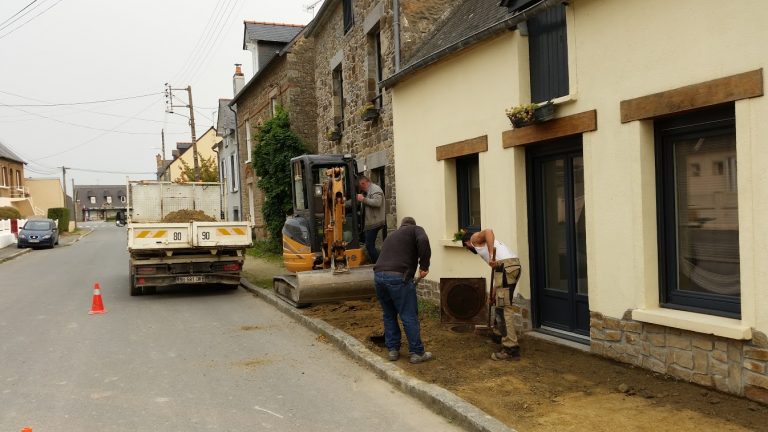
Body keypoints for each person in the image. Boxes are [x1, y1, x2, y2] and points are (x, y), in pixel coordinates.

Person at [373, 217, 433, 364]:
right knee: (408, 315)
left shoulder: (392, 235)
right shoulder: (415, 230)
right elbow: (423, 240)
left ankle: (393, 350)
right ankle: (417, 352)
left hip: (379, 276)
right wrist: (424, 266)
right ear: (412, 224)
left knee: (389, 314)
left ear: (401, 225)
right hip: (398, 276)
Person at [462, 228, 522, 361]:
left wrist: (490, 256)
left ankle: (511, 349)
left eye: (466, 248)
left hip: (505, 267)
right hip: (511, 267)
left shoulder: (473, 239)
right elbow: (500, 272)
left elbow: (488, 231)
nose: (468, 249)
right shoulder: (491, 249)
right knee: (500, 304)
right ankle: (498, 335)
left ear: (467, 243)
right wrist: (493, 293)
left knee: (504, 308)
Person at [356, 175, 386, 263]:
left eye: (360, 186)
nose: (360, 189)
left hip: (375, 222)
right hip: (371, 223)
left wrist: (363, 199)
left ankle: (378, 264)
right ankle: (377, 263)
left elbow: (377, 203)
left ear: (363, 183)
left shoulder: (375, 189)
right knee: (369, 245)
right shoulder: (369, 190)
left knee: (369, 245)